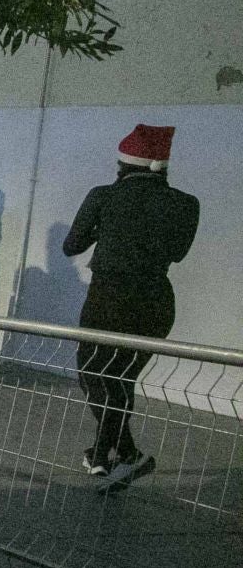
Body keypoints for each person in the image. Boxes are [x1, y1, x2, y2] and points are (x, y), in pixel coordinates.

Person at [62, 124, 199, 486]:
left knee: (93, 374)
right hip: (156, 299)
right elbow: (178, 253)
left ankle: (108, 454)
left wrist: (103, 231)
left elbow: (71, 246)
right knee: (121, 377)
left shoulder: (103, 196)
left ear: (123, 165)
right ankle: (123, 455)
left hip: (109, 296)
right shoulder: (186, 203)